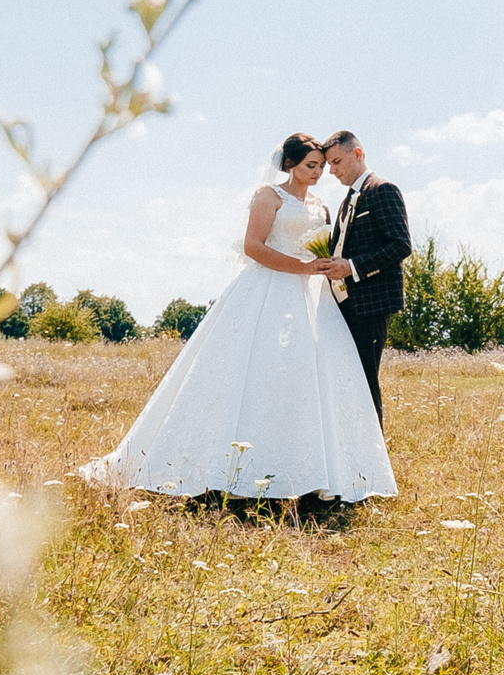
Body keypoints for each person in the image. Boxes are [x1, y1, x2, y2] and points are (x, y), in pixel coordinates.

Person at [77, 133, 394, 506]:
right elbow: (253, 247)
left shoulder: (324, 206)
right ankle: (226, 467)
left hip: (313, 298)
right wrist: (303, 267)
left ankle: (314, 473)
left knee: (307, 376)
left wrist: (323, 268)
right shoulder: (268, 196)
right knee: (255, 372)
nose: (319, 173)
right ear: (290, 164)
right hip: (267, 290)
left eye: (323, 166)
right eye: (312, 166)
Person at [321, 130, 411, 424]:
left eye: (336, 162)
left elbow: (400, 245)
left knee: (365, 383)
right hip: (344, 305)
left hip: (370, 304)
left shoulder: (383, 189)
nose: (332, 171)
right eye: (329, 165)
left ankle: (374, 461)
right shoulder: (347, 200)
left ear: (357, 154)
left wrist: (351, 267)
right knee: (348, 382)